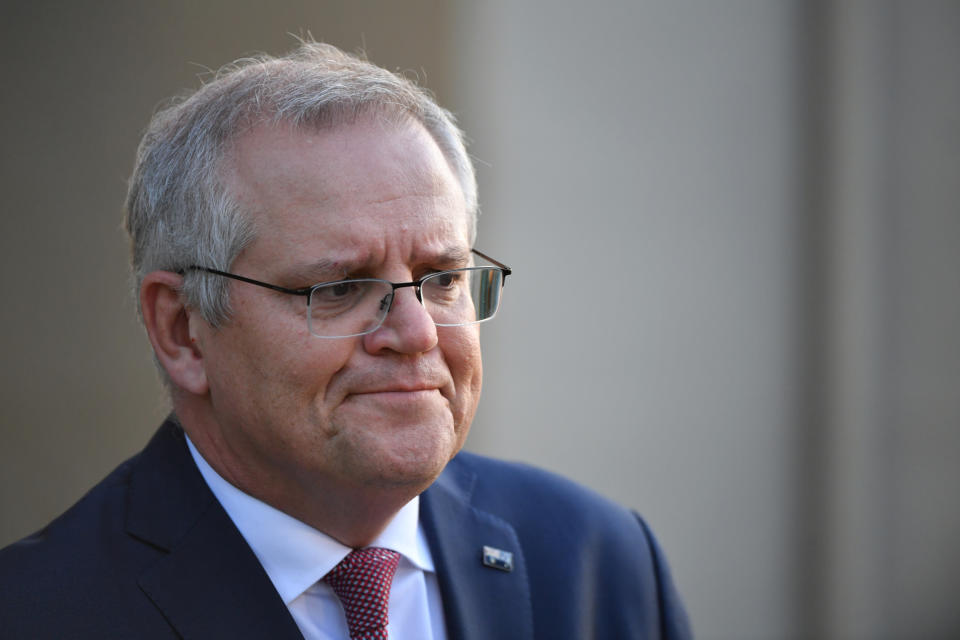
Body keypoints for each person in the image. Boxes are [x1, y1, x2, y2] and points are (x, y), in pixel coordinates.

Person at [0, 42, 691, 639]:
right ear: (183, 330)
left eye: (442, 278)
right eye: (338, 289)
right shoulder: (37, 613)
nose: (418, 333)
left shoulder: (595, 561)